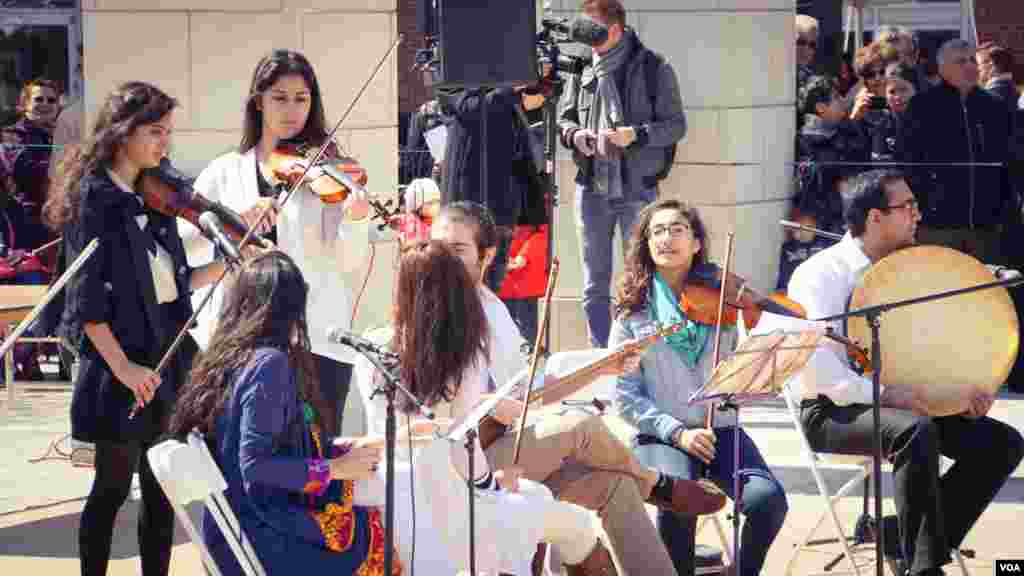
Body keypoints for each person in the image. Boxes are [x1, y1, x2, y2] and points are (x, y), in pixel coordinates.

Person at [426, 200, 726, 576]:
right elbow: (432, 412)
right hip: (459, 467)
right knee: (579, 426)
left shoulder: (493, 309)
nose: (443, 259)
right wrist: (483, 405)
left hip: (499, 449)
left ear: (486, 256)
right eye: (437, 247)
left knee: (616, 485)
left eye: (457, 249)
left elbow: (531, 391)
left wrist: (604, 365)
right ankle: (657, 485)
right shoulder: (430, 306)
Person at [787, 169, 1024, 576]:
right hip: (832, 409)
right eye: (907, 206)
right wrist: (883, 395)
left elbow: (930, 349)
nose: (918, 214)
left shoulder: (917, 268)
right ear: (875, 218)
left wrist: (961, 396)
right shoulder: (820, 275)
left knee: (1000, 443)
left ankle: (902, 538)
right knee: (916, 431)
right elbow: (815, 370)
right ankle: (923, 566)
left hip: (909, 409)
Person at [42, 81, 229, 576]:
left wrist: (228, 263)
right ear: (123, 133)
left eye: (167, 131)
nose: (164, 144)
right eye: (154, 131)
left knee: (161, 489)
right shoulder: (97, 199)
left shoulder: (155, 193)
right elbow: (87, 298)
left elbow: (170, 282)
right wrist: (124, 367)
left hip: (165, 355)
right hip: (119, 363)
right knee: (111, 488)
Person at [355, 240, 617, 575]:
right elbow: (461, 446)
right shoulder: (464, 356)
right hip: (446, 499)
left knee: (537, 501)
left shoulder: (371, 346)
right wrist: (491, 485)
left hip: (386, 486)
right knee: (575, 525)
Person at [168, 251, 397, 576]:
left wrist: (345, 449)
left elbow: (272, 445)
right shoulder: (268, 365)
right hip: (262, 536)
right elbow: (255, 465)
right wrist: (335, 468)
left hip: (236, 531)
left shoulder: (228, 357)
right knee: (370, 534)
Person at [183, 49, 369, 436]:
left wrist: (355, 220)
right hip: (241, 337)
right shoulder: (224, 171)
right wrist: (237, 223)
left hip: (314, 334)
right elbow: (186, 247)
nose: (291, 110)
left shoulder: (327, 171)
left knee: (315, 453)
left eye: (302, 99)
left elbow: (350, 263)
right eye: (279, 98)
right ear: (258, 101)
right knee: (242, 451)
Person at [610, 198, 788, 576]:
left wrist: (752, 374)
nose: (666, 238)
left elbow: (750, 373)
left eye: (677, 229)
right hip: (660, 436)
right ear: (646, 245)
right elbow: (623, 397)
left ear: (695, 243)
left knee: (767, 500)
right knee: (681, 497)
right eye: (657, 231)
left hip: (720, 431)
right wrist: (678, 434)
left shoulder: (721, 303)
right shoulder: (632, 314)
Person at [558, 0, 685, 348]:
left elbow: (676, 126)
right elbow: (564, 119)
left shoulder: (652, 67)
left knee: (642, 274)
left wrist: (636, 135)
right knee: (593, 284)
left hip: (637, 190)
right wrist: (576, 136)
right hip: (591, 186)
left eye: (594, 27)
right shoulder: (581, 66)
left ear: (614, 29)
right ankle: (601, 354)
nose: (587, 34)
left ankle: (642, 350)